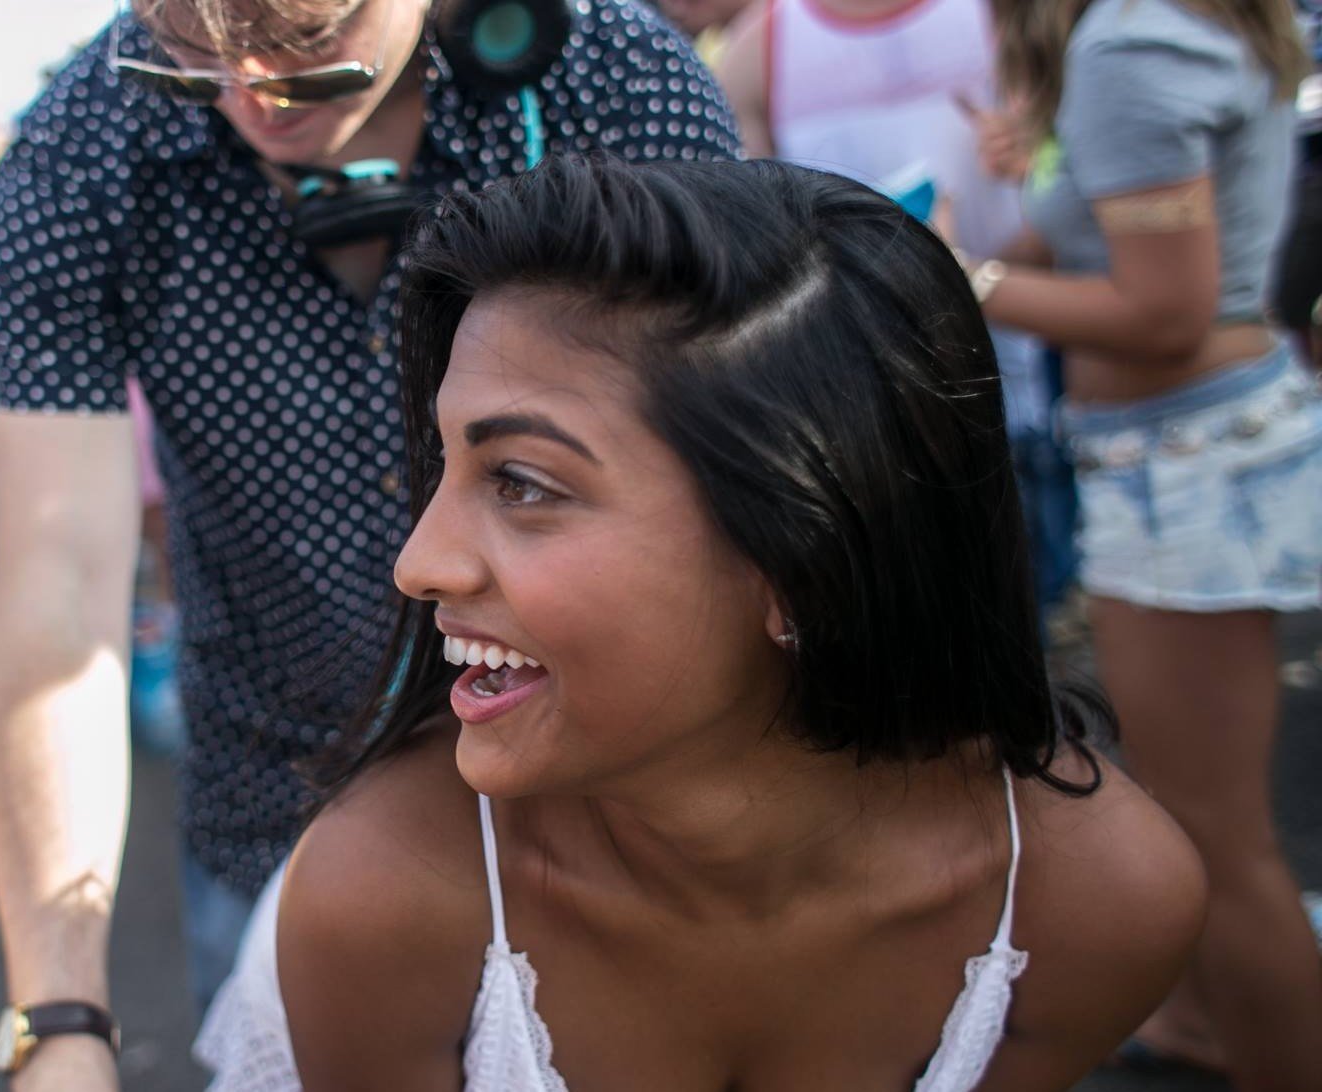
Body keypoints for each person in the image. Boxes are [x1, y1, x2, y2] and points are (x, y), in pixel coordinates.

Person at [196, 152, 1206, 1091]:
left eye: (520, 481)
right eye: (446, 462)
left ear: (808, 560)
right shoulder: (382, 897)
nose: (418, 563)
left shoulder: (1098, 905)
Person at [0, 0, 739, 1084]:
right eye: (195, 58)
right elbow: (57, 583)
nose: (251, 95)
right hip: (274, 802)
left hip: (605, 806)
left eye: (305, 49)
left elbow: (720, 494)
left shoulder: (611, 80)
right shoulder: (79, 151)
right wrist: (59, 1022)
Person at [967, 0, 1322, 1087]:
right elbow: (1105, 246)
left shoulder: (1127, 41)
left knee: (1216, 838)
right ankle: (1193, 1025)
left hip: (1182, 461)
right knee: (1197, 814)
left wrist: (964, 277)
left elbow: (1166, 313)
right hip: (1191, 449)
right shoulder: (1164, 26)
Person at [715, 0, 1078, 613]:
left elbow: (1084, 183)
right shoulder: (762, 43)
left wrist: (1034, 154)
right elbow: (746, 225)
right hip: (856, 392)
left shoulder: (1006, 16)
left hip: (1011, 368)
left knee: (1023, 594)